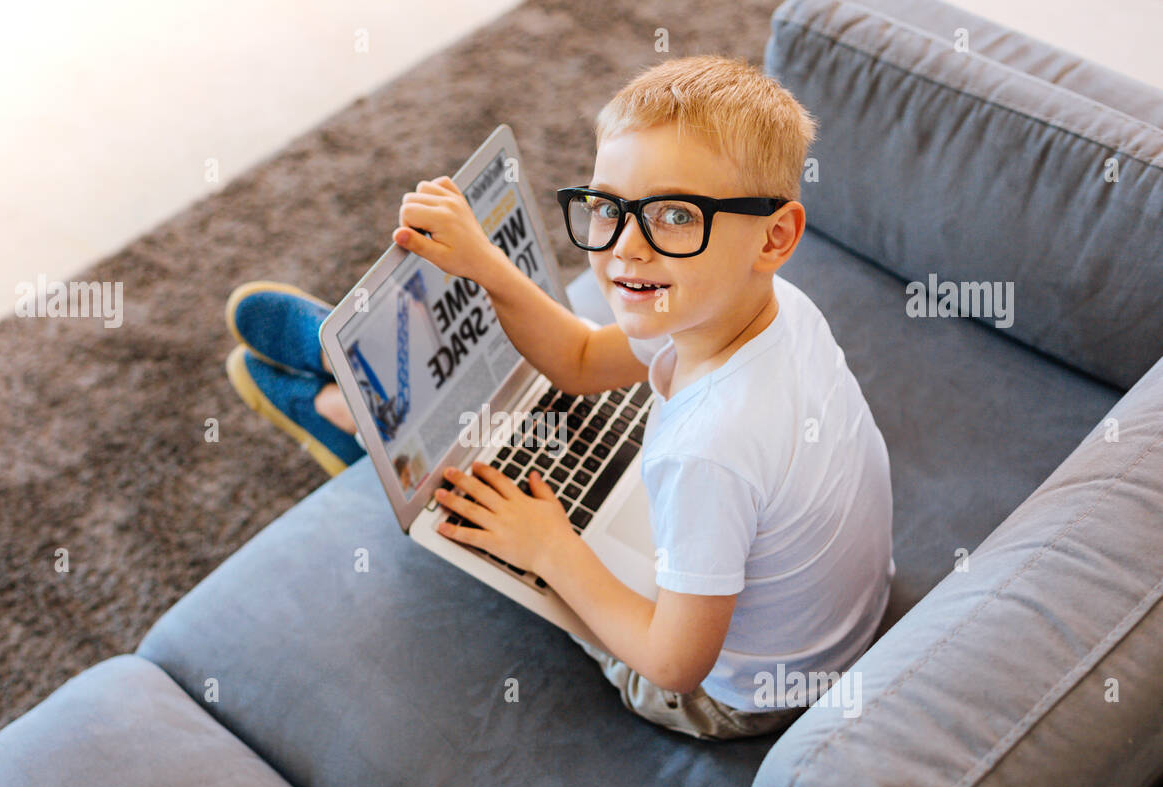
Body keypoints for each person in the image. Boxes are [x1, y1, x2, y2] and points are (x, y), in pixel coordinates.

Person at [225, 54, 895, 740]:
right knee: (558, 412)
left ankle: (367, 421)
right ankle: (366, 377)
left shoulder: (710, 451)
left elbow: (673, 664)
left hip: (735, 694)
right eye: (608, 207)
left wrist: (551, 550)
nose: (623, 250)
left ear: (774, 236)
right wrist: (485, 263)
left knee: (515, 537)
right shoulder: (757, 306)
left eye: (674, 215)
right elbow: (577, 360)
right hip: (837, 619)